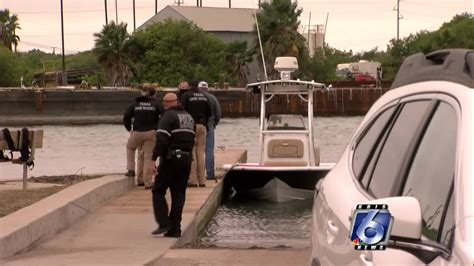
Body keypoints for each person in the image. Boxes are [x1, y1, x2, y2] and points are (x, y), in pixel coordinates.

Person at [150, 92, 195, 238]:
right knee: (179, 194)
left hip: (171, 159)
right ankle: (175, 229)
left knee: (158, 190)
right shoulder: (189, 117)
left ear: (167, 103)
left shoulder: (167, 116)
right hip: (186, 159)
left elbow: (162, 139)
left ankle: (164, 223)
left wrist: (154, 158)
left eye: (165, 103)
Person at [123, 85, 163, 189]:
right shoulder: (156, 104)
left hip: (137, 132)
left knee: (130, 148)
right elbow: (164, 116)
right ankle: (148, 183)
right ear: (154, 94)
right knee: (148, 157)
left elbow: (126, 117)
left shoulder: (135, 104)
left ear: (142, 93)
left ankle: (131, 170)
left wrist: (129, 129)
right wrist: (158, 128)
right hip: (151, 132)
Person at [181, 80, 212, 187]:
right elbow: (210, 112)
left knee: (192, 153)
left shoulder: (186, 96)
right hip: (202, 126)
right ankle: (202, 180)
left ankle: (192, 180)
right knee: (201, 153)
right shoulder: (204, 96)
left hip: (190, 127)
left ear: (189, 86)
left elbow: (182, 111)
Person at [198, 81, 221, 180]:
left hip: (196, 125)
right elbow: (218, 113)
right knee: (209, 150)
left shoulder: (193, 97)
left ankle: (196, 174)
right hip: (209, 125)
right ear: (207, 89)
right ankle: (210, 174)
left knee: (196, 150)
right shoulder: (212, 98)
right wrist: (214, 123)